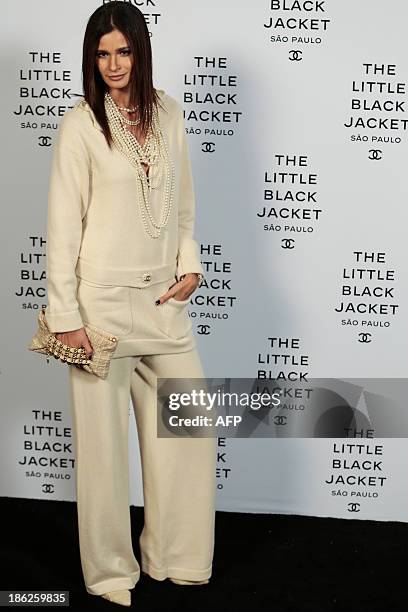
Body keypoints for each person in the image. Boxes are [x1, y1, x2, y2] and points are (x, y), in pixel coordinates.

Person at [44, 2, 216, 607]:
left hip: (164, 303)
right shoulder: (80, 125)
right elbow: (63, 228)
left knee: (190, 429)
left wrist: (190, 263)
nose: (113, 65)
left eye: (123, 51)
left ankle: (178, 556)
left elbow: (185, 206)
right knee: (104, 454)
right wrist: (65, 317)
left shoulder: (169, 114)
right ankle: (111, 574)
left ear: (140, 51)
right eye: (102, 53)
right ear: (92, 59)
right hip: (100, 310)